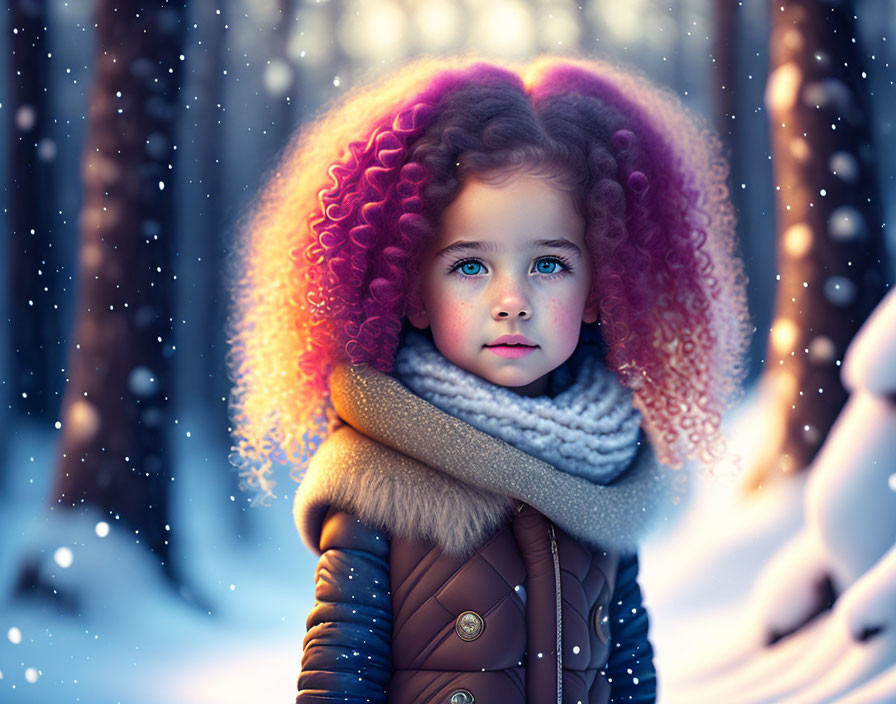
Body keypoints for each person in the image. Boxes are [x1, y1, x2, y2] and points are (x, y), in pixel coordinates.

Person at [227, 56, 749, 703]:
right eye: (471, 266)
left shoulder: (606, 473)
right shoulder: (374, 480)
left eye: (550, 265)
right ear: (413, 291)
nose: (512, 300)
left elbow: (629, 673)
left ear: (600, 288)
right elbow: (339, 673)